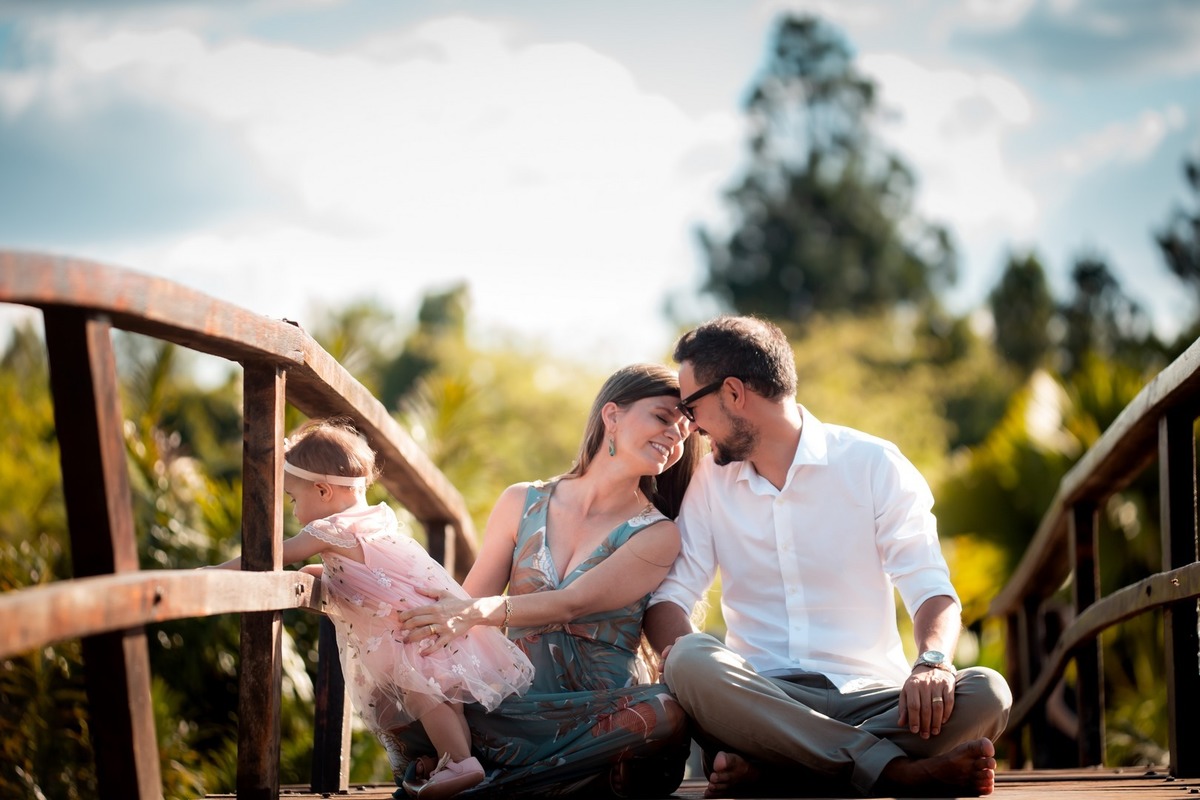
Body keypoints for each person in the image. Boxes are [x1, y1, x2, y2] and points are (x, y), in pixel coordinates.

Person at [643, 315, 1013, 799]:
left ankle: (778, 772)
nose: (691, 427)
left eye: (693, 407)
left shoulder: (875, 464)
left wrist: (934, 662)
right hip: (762, 698)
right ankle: (894, 774)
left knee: (988, 692)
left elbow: (929, 586)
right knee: (691, 658)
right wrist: (682, 665)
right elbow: (670, 598)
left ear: (734, 393)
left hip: (873, 698)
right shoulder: (709, 483)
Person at [391, 363, 702, 799]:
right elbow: (462, 600)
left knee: (665, 712)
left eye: (685, 430)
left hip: (594, 713)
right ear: (611, 415)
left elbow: (572, 603)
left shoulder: (657, 533)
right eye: (663, 417)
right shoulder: (522, 501)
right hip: (510, 702)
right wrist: (360, 565)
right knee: (416, 684)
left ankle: (485, 782)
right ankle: (537, 775)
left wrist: (482, 612)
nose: (675, 435)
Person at [210, 418, 534, 800]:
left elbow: (271, 557)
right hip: (427, 621)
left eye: (295, 500)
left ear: (322, 490)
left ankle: (463, 763)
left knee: (423, 698)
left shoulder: (327, 529)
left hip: (407, 633)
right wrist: (324, 572)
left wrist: (213, 573)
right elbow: (360, 568)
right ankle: (453, 761)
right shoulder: (374, 519)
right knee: (444, 701)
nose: (295, 512)